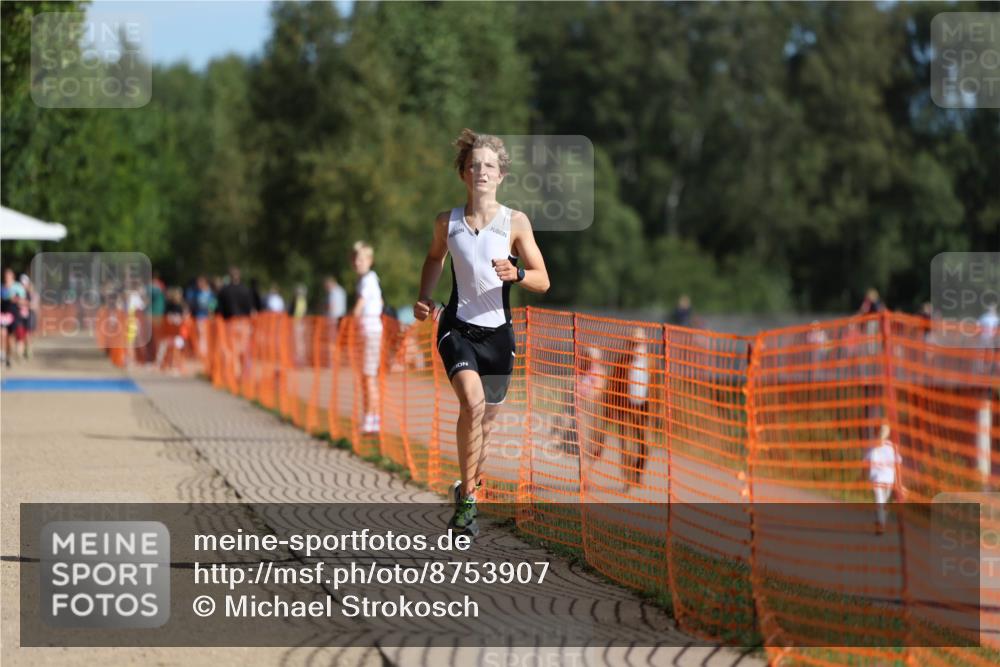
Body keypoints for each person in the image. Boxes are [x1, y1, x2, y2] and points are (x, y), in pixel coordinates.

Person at [414, 129, 550, 536]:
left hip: (498, 338)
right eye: (474, 165)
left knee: (486, 425)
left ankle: (468, 489)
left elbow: (544, 279)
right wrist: (424, 296)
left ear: (501, 174)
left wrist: (518, 272)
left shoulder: (516, 222)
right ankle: (467, 507)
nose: (481, 172)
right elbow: (434, 258)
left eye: (489, 165)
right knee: (471, 405)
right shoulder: (447, 222)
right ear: (463, 174)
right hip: (456, 327)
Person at [588, 328, 653, 489]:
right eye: (633, 343)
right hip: (625, 410)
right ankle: (628, 478)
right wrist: (610, 410)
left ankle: (637, 472)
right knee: (627, 446)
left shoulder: (651, 362)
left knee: (647, 445)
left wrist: (657, 410)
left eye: (639, 343)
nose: (636, 346)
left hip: (643, 410)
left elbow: (657, 388)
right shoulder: (622, 362)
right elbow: (613, 386)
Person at [352, 241, 384, 435]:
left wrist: (349, 321)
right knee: (367, 376)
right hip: (370, 332)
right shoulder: (372, 279)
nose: (357, 262)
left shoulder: (367, 280)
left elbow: (360, 304)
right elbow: (379, 301)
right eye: (355, 259)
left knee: (369, 376)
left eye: (361, 259)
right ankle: (370, 417)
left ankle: (372, 419)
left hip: (371, 332)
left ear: (369, 261)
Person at [863, 423, 905, 535]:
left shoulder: (872, 444)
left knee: (880, 502)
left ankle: (880, 523)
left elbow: (865, 462)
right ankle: (881, 524)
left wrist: (865, 476)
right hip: (889, 479)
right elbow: (898, 463)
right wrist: (899, 482)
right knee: (883, 503)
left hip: (877, 478)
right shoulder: (892, 446)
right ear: (888, 433)